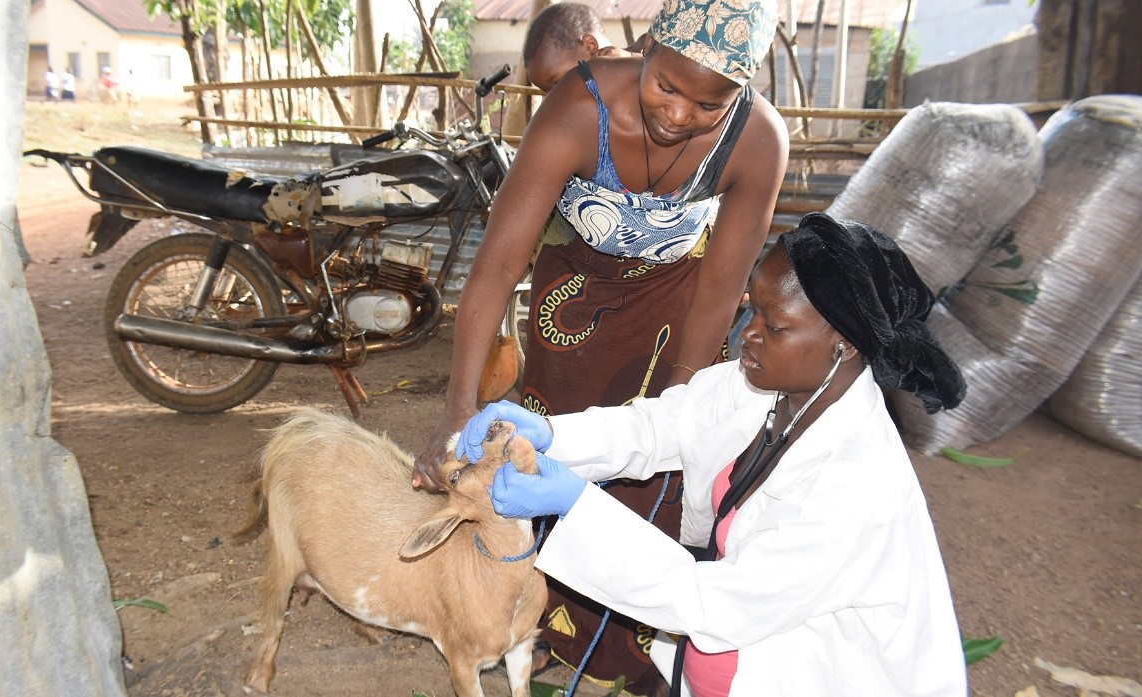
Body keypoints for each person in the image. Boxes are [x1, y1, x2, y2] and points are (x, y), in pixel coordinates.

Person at [414, 0, 788, 693]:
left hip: (677, 305)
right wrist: (457, 405)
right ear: (645, 49)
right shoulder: (575, 107)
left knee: (652, 477)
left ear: (740, 94)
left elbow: (718, 290)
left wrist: (678, 402)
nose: (678, 116)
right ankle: (544, 620)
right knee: (552, 443)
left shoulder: (757, 140)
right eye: (666, 87)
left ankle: (632, 645)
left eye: (708, 105)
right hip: (575, 298)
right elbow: (498, 264)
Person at [461, 212, 970, 697]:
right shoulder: (773, 384)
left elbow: (716, 601)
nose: (748, 332)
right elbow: (663, 424)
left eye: (775, 326)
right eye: (752, 308)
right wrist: (551, 435)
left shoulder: (856, 485)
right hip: (745, 641)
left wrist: (577, 505)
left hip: (825, 671)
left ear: (844, 345)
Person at [523, 2, 634, 93]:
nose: (553, 100)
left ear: (590, 46)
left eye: (559, 84)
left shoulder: (640, 82)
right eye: (547, 92)